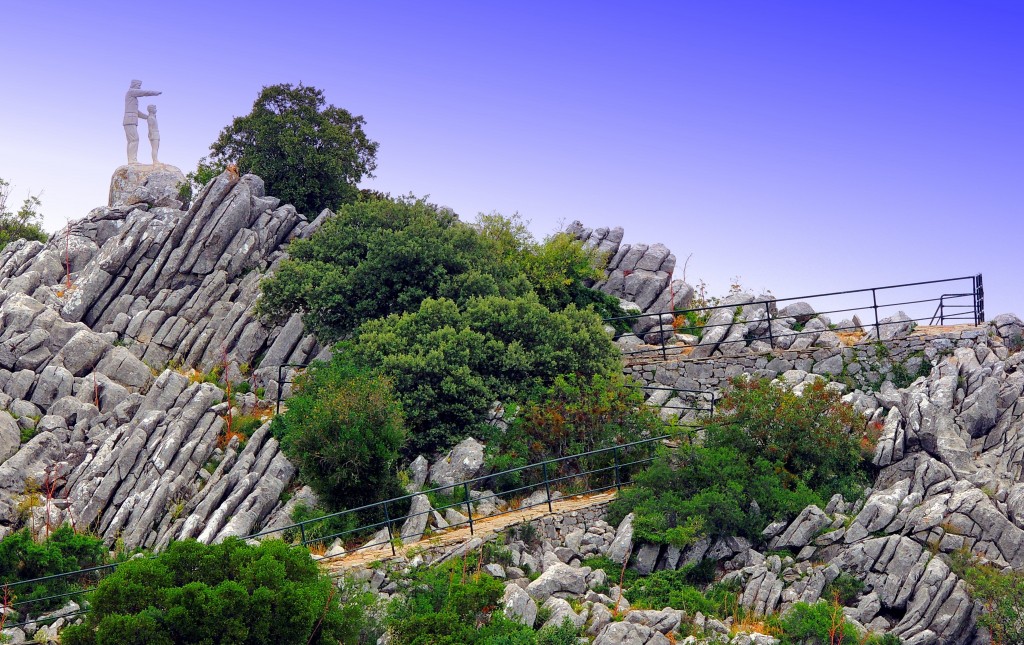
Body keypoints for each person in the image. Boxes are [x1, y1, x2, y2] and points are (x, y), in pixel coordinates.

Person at [123, 80, 161, 163]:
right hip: (130, 119)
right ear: (134, 85)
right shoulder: (131, 92)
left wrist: (147, 117)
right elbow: (144, 93)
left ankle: (132, 159)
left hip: (131, 119)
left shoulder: (132, 97)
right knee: (134, 140)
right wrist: (155, 93)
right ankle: (132, 160)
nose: (139, 87)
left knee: (132, 140)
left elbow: (136, 112)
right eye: (139, 85)